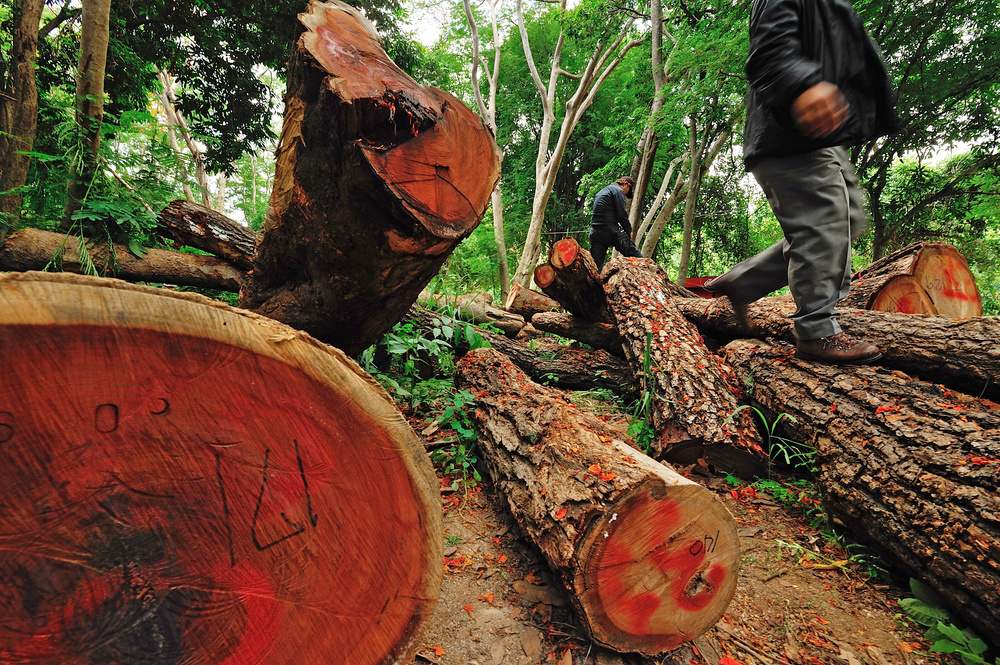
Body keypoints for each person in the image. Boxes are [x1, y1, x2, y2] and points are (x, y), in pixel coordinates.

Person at [706, 0, 898, 364]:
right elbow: (768, 53)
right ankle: (816, 331)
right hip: (788, 135)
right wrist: (804, 86)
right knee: (822, 226)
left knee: (844, 222)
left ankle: (744, 282)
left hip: (817, 137)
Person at [590, 176, 642, 270]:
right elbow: (621, 215)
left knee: (595, 267)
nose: (626, 194)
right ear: (626, 184)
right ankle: (646, 271)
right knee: (633, 253)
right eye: (628, 191)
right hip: (610, 230)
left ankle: (594, 282)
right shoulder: (617, 191)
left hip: (595, 232)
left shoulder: (601, 192)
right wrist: (628, 231)